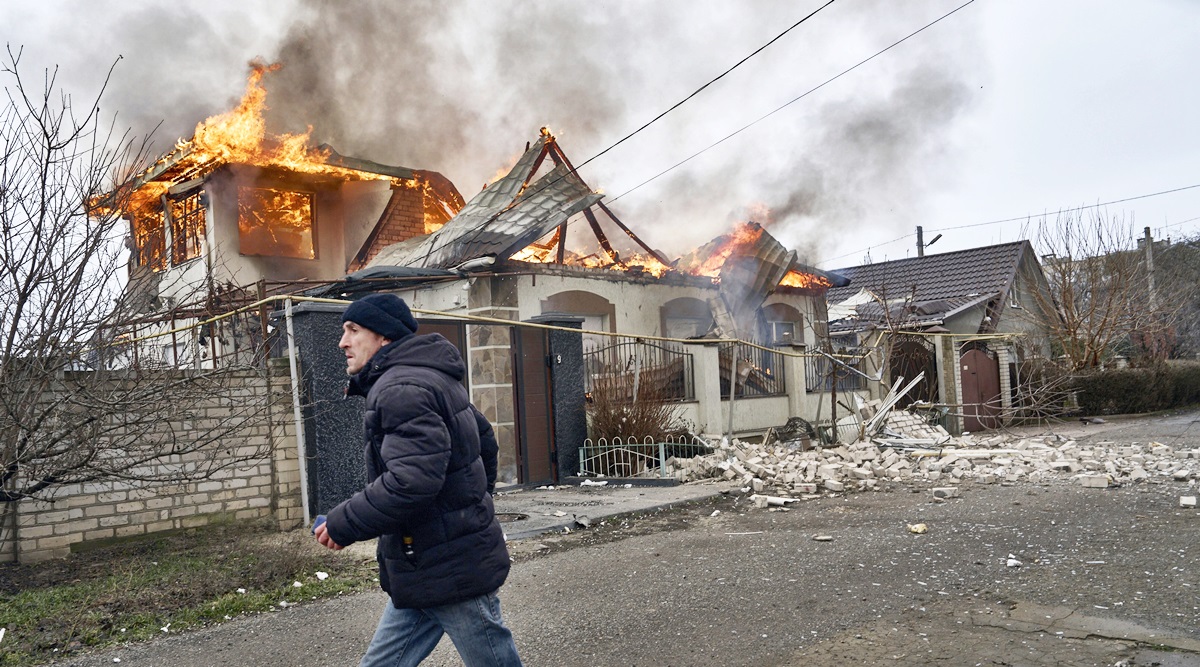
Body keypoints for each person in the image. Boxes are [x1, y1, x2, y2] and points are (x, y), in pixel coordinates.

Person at [314, 293, 522, 667]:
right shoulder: (429, 377)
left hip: (448, 567)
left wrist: (343, 522)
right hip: (424, 562)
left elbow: (409, 482)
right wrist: (471, 506)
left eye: (353, 330)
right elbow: (485, 441)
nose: (343, 342)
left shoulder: (401, 389)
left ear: (385, 338)